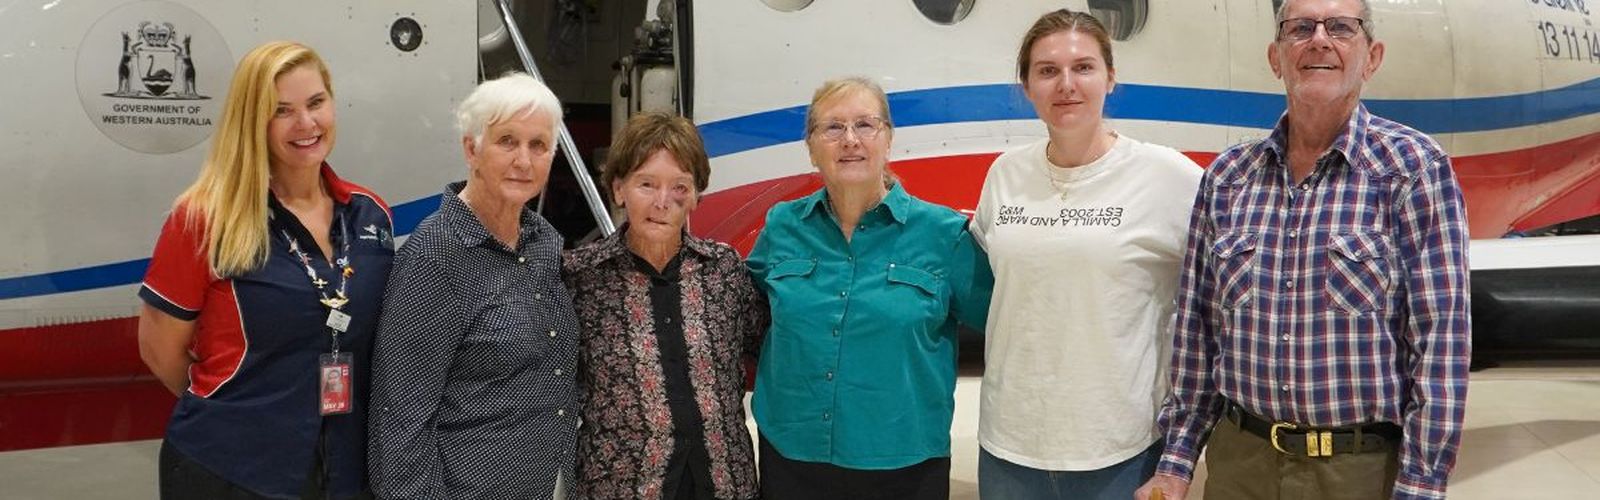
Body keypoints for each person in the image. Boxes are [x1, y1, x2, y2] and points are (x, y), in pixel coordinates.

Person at [1135, 1, 1471, 499]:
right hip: (1239, 465)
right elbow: (1197, 331)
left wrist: (1420, 484)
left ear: (1372, 56)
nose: (1318, 39)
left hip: (1358, 471)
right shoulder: (1228, 178)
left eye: (1340, 27)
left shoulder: (1413, 169)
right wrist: (1177, 461)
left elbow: (1440, 341)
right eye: (1300, 28)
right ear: (1275, 57)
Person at [136, 41, 393, 500]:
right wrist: (241, 413)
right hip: (231, 468)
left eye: (316, 103)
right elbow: (161, 351)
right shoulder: (204, 219)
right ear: (253, 121)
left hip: (343, 470)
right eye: (282, 111)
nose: (307, 124)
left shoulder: (370, 215)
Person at [967, 9, 1203, 500]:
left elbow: (1210, 309)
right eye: (1047, 71)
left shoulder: (1168, 177)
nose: (1066, 85)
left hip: (1120, 451)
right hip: (1009, 447)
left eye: (1083, 67)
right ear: (1027, 85)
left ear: (1110, 77)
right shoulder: (1005, 174)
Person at [746, 77, 992, 500]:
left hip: (903, 466)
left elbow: (1010, 325)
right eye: (833, 127)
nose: (850, 140)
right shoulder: (782, 226)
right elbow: (739, 317)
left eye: (865, 125)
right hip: (792, 458)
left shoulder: (943, 235)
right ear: (810, 147)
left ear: (889, 139)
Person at [367, 73, 581, 499]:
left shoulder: (543, 242)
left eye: (538, 145)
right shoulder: (436, 253)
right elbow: (399, 416)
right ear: (471, 148)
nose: (524, 160)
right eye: (506, 141)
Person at [563, 112, 768, 500]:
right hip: (622, 485)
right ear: (619, 188)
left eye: (680, 187)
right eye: (646, 184)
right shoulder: (581, 279)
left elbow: (774, 350)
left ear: (695, 195)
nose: (663, 201)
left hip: (723, 482)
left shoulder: (723, 270)